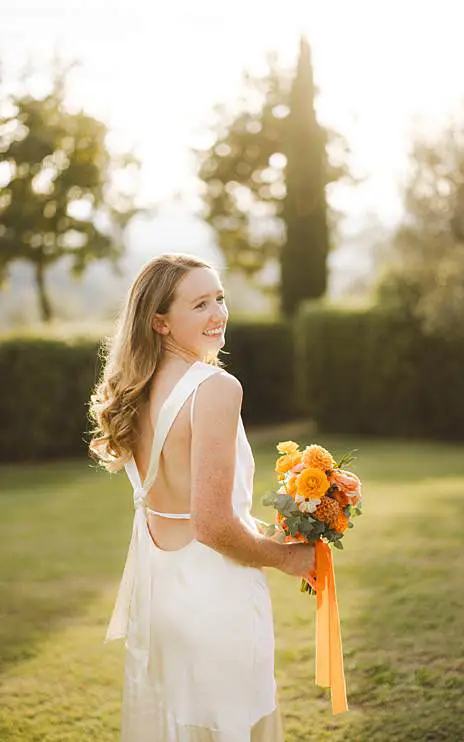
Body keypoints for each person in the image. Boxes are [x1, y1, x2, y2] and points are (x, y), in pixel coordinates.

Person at [88, 253, 314, 741]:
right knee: (230, 724)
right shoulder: (216, 388)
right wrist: (287, 559)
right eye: (200, 304)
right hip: (216, 596)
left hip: (162, 593)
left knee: (179, 723)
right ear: (160, 322)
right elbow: (211, 525)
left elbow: (190, 508)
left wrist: (274, 530)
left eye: (219, 298)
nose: (218, 314)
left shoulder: (137, 388)